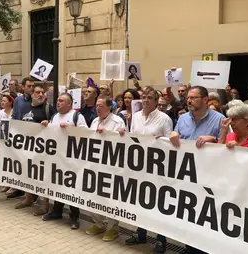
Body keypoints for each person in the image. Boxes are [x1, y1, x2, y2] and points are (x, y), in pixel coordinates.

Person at [169, 85, 226, 254]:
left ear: (205, 100)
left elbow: (228, 148)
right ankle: (190, 247)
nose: (189, 100)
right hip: (187, 175)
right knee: (188, 213)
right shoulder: (183, 119)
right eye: (188, 98)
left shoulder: (219, 119)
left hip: (208, 176)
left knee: (205, 216)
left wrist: (214, 139)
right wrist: (172, 134)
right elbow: (177, 138)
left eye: (193, 97)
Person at [124, 87, 173, 254]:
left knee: (158, 204)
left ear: (155, 101)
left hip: (157, 169)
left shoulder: (164, 118)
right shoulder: (136, 117)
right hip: (139, 166)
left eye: (149, 97)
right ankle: (141, 233)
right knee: (140, 202)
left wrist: (161, 141)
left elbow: (170, 144)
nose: (145, 100)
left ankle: (161, 239)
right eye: (144, 97)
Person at [42, 93, 87, 228]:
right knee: (57, 184)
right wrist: (46, 125)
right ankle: (57, 211)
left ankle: (74, 216)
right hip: (57, 157)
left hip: (72, 159)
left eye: (61, 101)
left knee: (72, 187)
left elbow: (85, 134)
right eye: (57, 100)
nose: (58, 103)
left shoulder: (77, 116)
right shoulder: (55, 116)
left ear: (69, 104)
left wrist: (71, 128)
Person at [85, 95, 125, 241]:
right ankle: (99, 223)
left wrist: (107, 135)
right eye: (97, 105)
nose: (98, 108)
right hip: (95, 164)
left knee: (110, 198)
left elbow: (122, 142)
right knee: (93, 195)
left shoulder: (118, 121)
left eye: (101, 106)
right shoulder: (95, 121)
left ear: (109, 107)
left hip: (111, 167)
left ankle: (113, 228)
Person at [9, 85, 56, 202]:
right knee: (26, 175)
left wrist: (49, 123)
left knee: (41, 178)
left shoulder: (48, 109)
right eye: (37, 92)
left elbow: (56, 125)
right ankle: (28, 198)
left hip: (42, 150)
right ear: (32, 95)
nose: (40, 94)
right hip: (26, 149)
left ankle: (45, 205)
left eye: (42, 92)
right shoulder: (25, 108)